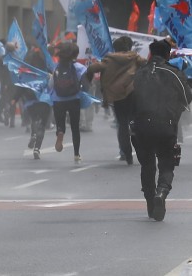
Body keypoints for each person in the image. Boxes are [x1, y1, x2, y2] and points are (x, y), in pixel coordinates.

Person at [131, 39, 191, 221]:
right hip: (166, 124)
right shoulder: (174, 73)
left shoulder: (139, 73)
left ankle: (150, 202)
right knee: (167, 163)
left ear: (150, 53)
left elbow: (130, 98)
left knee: (147, 165)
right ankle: (161, 193)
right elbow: (187, 96)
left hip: (141, 126)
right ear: (168, 54)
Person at [85, 36, 147, 165]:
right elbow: (148, 65)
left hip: (117, 96)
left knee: (122, 125)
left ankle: (127, 154)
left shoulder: (109, 60)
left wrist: (88, 82)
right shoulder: (135, 58)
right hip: (133, 94)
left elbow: (92, 68)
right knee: (135, 123)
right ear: (129, 47)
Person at [50, 42, 88, 164]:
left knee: (60, 123)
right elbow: (85, 85)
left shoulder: (56, 67)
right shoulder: (79, 67)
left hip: (58, 99)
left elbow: (51, 85)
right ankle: (76, 154)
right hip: (74, 99)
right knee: (75, 127)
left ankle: (60, 132)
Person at [13, 47, 52, 160]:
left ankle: (33, 134)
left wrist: (14, 99)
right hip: (45, 101)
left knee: (34, 119)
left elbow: (21, 86)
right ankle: (37, 148)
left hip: (30, 101)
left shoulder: (27, 72)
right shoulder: (48, 72)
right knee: (43, 124)